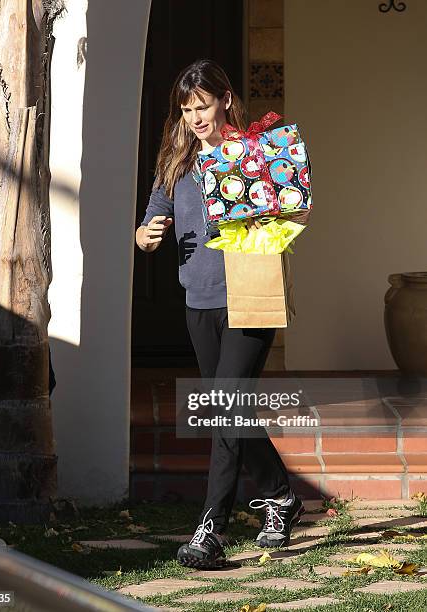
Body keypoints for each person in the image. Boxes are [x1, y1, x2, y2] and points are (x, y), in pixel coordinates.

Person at [135, 59, 305, 569]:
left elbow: (295, 207)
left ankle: (211, 530)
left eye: (203, 106)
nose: (195, 118)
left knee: (227, 406)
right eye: (187, 110)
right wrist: (144, 237)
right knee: (226, 409)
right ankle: (281, 495)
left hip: (249, 298)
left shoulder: (255, 152)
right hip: (199, 300)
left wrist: (277, 205)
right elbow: (150, 217)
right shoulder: (178, 159)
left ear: (226, 99)